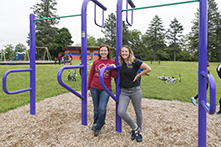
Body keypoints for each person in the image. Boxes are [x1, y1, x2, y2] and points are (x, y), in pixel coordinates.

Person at [117, 45, 152, 142]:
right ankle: (135, 127)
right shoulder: (120, 62)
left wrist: (139, 75)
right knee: (121, 112)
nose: (124, 53)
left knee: (138, 111)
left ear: (129, 52)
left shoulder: (135, 61)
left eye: (126, 51)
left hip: (135, 90)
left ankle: (138, 132)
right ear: (120, 53)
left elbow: (148, 68)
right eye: (122, 52)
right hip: (124, 91)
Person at [87, 44, 117, 136]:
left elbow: (115, 76)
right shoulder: (96, 62)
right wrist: (88, 88)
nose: (103, 52)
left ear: (108, 52)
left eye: (105, 50)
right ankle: (96, 124)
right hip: (94, 87)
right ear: (99, 52)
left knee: (102, 108)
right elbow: (91, 75)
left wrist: (113, 68)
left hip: (105, 88)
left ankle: (99, 125)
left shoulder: (111, 62)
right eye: (101, 51)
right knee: (96, 109)